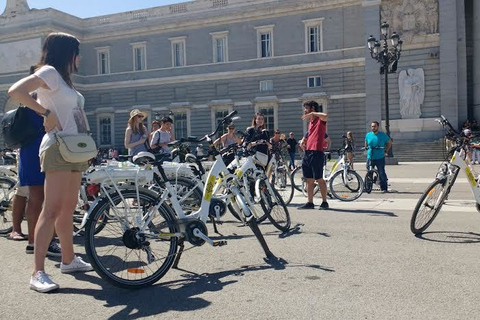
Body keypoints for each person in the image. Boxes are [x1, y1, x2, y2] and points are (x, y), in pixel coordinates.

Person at [8, 32, 93, 293]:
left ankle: (68, 259)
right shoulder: (50, 73)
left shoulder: (64, 80)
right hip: (57, 147)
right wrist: (45, 113)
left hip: (74, 148)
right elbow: (16, 91)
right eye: (76, 51)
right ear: (67, 52)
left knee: (68, 208)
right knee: (52, 209)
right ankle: (38, 272)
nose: (79, 57)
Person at [298, 101, 329, 210]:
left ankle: (324, 202)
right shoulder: (310, 122)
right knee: (309, 179)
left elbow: (326, 116)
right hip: (308, 152)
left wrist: (313, 114)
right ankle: (310, 202)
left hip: (317, 152)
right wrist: (304, 140)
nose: (305, 111)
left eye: (306, 109)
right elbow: (310, 133)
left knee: (319, 178)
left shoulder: (320, 120)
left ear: (312, 108)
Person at [364, 121, 392, 193]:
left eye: (374, 126)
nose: (373, 128)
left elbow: (389, 142)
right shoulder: (368, 135)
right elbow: (366, 143)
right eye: (372, 126)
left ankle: (384, 188)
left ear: (377, 127)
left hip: (380, 157)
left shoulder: (382, 135)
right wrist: (366, 148)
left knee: (381, 172)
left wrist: (386, 151)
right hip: (370, 157)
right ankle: (368, 187)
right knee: (369, 173)